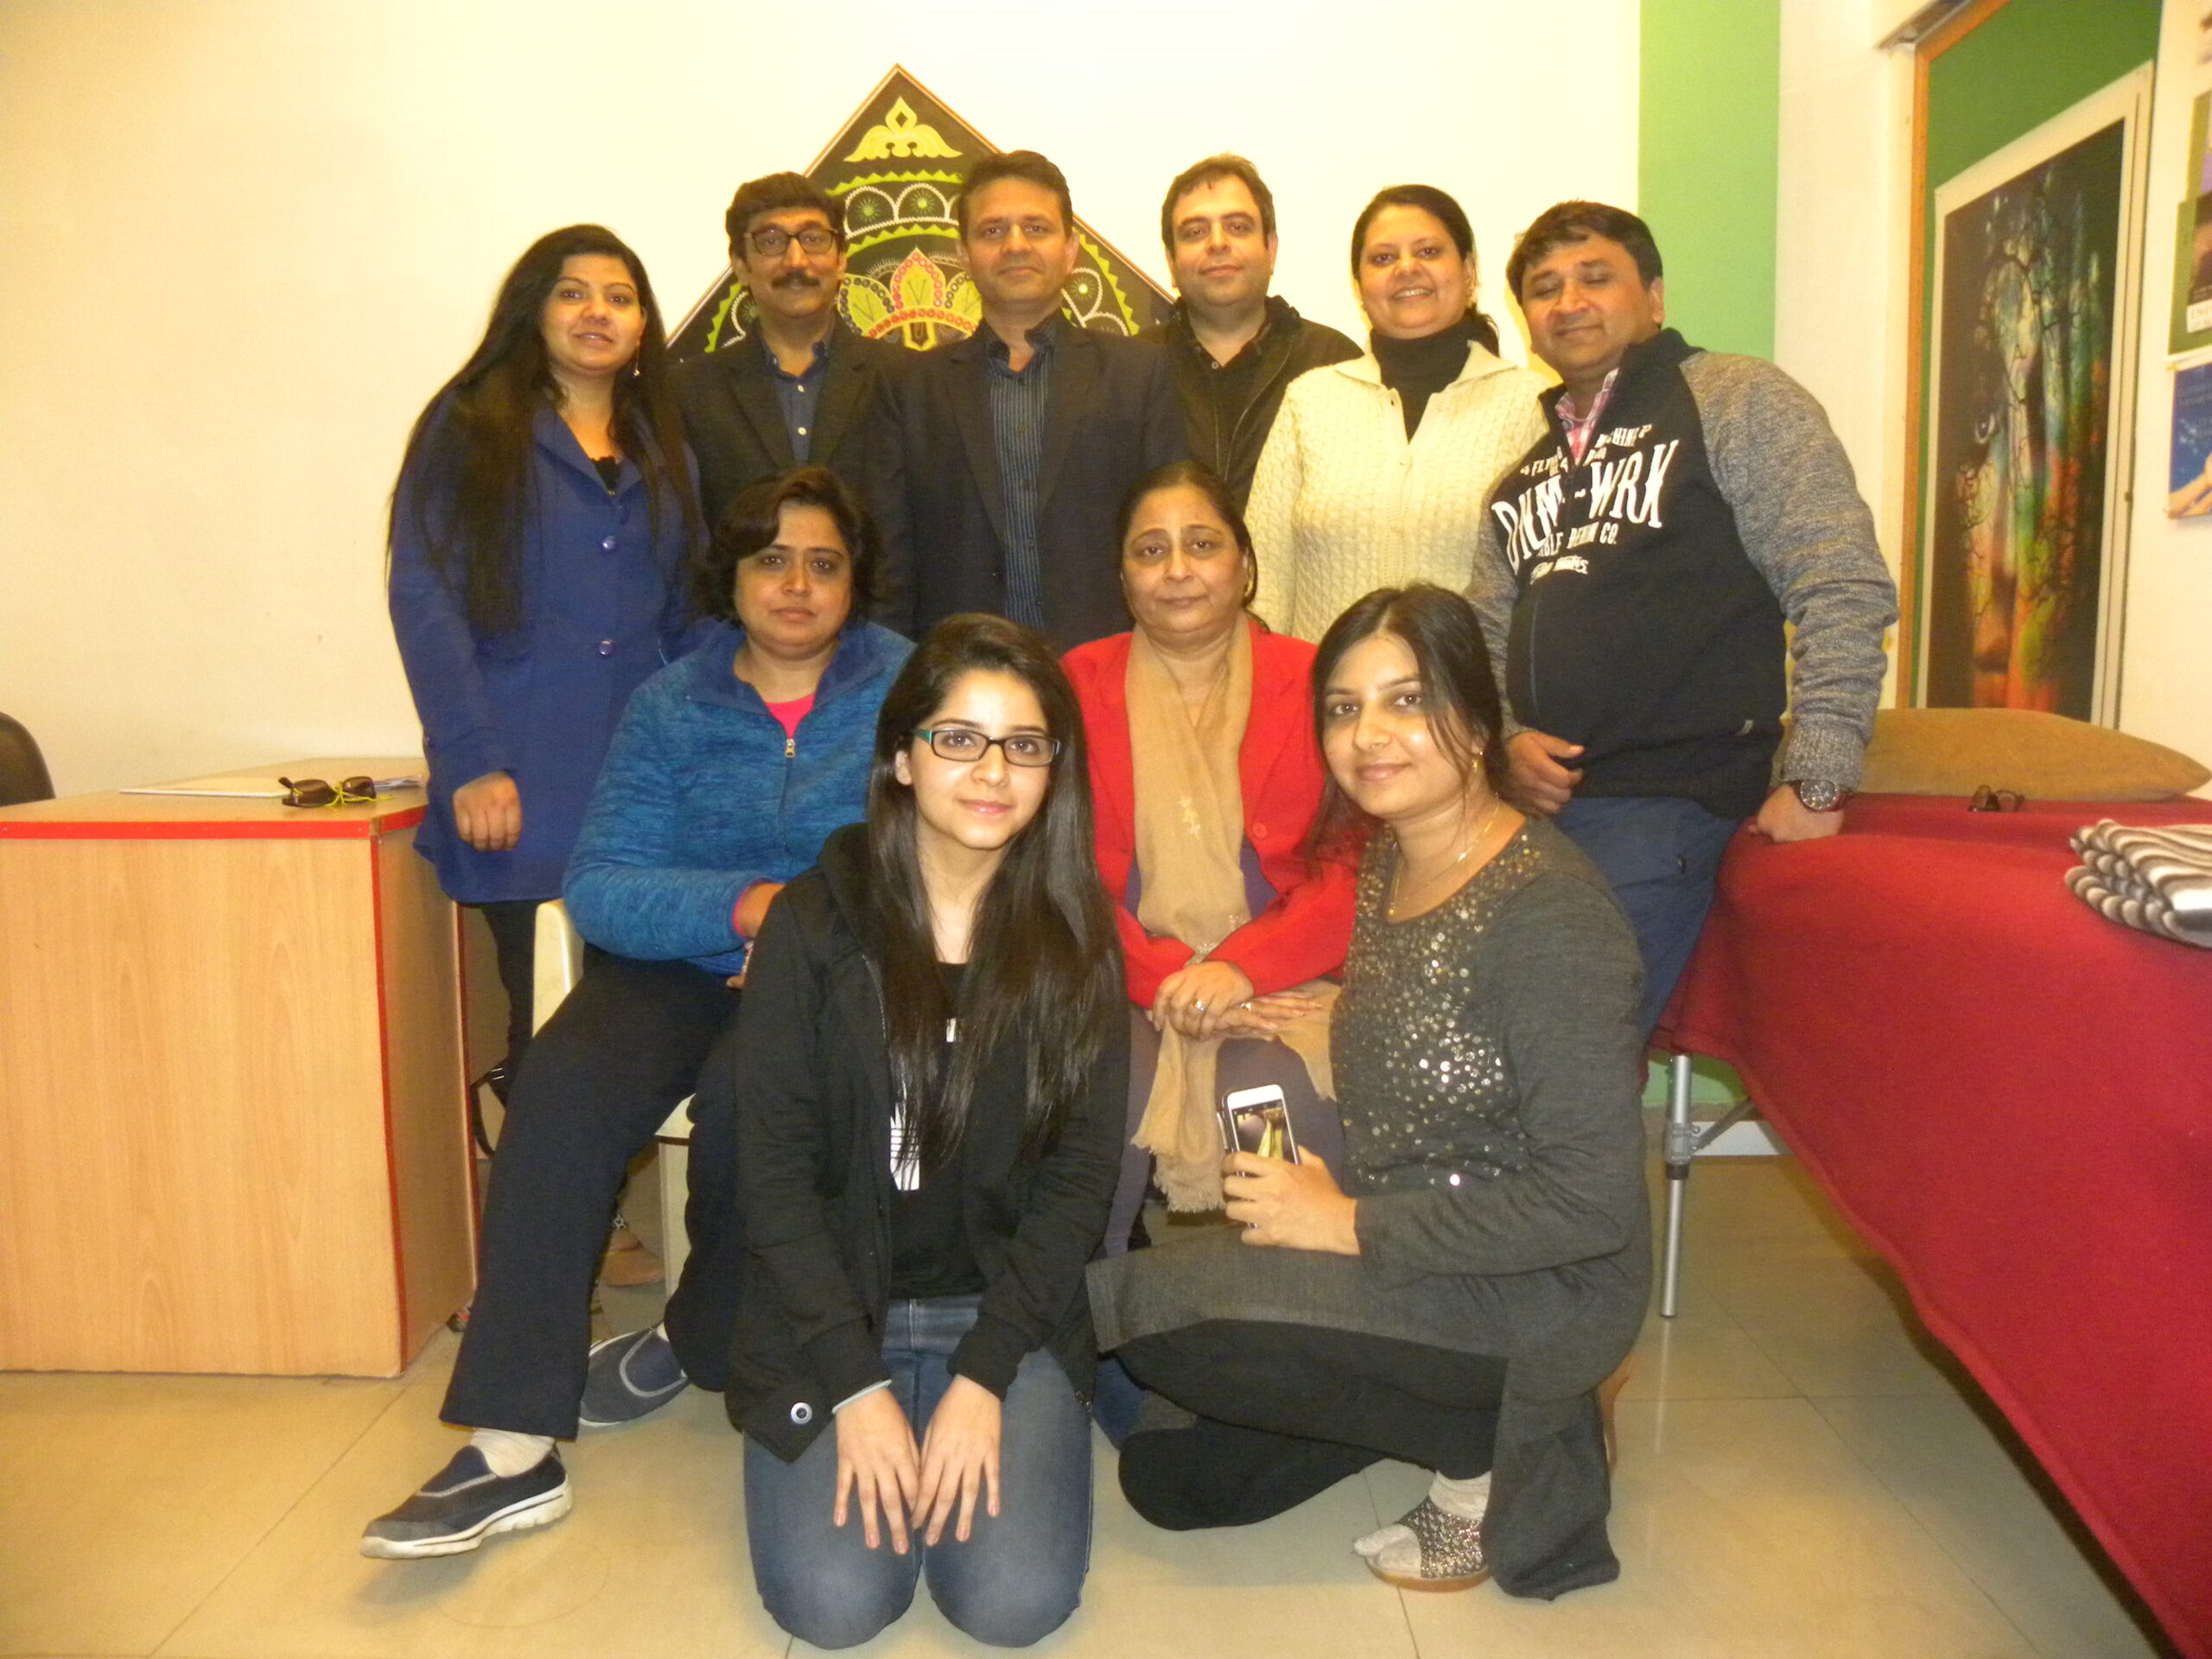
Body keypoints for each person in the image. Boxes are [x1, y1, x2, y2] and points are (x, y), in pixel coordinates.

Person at [361, 469, 912, 1560]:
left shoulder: (907, 689)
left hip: (830, 977)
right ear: (731, 576)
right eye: (771, 560)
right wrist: (741, 906)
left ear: (855, 583)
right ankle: (511, 1443)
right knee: (559, 1086)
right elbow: (604, 881)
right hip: (671, 966)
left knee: (754, 1108)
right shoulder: (670, 702)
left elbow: (939, 857)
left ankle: (693, 1337)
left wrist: (807, 935)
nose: (796, 585)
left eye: (824, 563)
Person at [1088, 584, 1648, 1601]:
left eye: (1406, 700)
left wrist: (1344, 1223)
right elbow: (1428, 1025)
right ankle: (1440, 1411)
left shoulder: (1552, 916)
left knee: (1155, 1312)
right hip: (1412, 1255)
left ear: (1475, 721)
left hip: (1530, 1287)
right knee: (1170, 1478)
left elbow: (1590, 1205)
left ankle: (1494, 1449)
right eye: (1343, 708)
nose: (1368, 735)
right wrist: (1301, 1009)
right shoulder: (1390, 861)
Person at [724, 613, 1128, 1648]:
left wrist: (985, 1376)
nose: (992, 771)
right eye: (958, 738)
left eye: (1023, 744)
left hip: (1000, 1313)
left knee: (1010, 1603)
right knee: (837, 1604)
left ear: (1053, 772)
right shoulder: (813, 923)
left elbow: (1078, 1185)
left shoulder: (1076, 940)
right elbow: (770, 1174)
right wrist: (854, 1384)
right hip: (830, 1311)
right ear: (901, 758)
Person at [1466, 201, 1898, 1034]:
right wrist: (1507, 743)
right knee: (1487, 1034)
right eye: (1545, 288)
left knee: (1559, 1048)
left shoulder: (1737, 399)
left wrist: (1819, 777)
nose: (1569, 302)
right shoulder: (1520, 479)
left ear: (1655, 297)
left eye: (1596, 278)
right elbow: (1483, 638)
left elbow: (1840, 579)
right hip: (1536, 817)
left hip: (1668, 807)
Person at [388, 224, 703, 1090]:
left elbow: (693, 615)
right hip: (520, 780)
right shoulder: (468, 428)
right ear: (533, 311)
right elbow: (425, 600)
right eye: (573, 293)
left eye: (619, 298)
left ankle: (590, 1180)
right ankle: (549, 1179)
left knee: (633, 1028)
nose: (597, 312)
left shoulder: (665, 446)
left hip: (641, 788)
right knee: (549, 1022)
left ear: (642, 326)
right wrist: (472, 762)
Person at [1061, 461, 1354, 1254]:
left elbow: (1352, 863)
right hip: (1121, 980)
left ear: (1246, 565)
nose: (1178, 569)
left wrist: (1241, 970)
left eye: (1202, 544)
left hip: (1284, 982)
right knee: (1107, 1100)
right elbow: (1059, 874)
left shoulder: (1317, 680)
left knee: (1266, 1095)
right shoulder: (1076, 685)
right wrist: (1171, 982)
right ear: (1123, 578)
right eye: (1150, 550)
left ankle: (1281, 1292)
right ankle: (1089, 1307)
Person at [873, 149, 1186, 649]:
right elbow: (891, 562)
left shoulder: (1139, 376)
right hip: (964, 670)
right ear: (964, 254)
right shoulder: (912, 389)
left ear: (1070, 249)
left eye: (1036, 228)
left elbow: (1171, 535)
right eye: (992, 231)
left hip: (1113, 668)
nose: (1015, 245)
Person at [1247, 185, 1545, 643]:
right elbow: (1262, 582)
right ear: (1359, 286)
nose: (1407, 268)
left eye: (1428, 251)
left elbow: (1545, 591)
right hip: (1324, 686)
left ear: (1469, 272)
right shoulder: (1309, 401)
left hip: (1467, 688)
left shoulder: (1530, 404)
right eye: (1383, 258)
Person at [677, 172, 904, 529]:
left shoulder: (905, 379)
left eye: (813, 239)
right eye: (771, 241)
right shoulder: (688, 392)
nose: (796, 261)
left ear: (841, 260)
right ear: (741, 265)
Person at [1143, 156, 1359, 511]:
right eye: (1195, 232)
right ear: (1171, 261)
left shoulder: (1335, 363)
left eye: (1238, 227)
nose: (1217, 243)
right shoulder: (1131, 371)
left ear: (1271, 250)